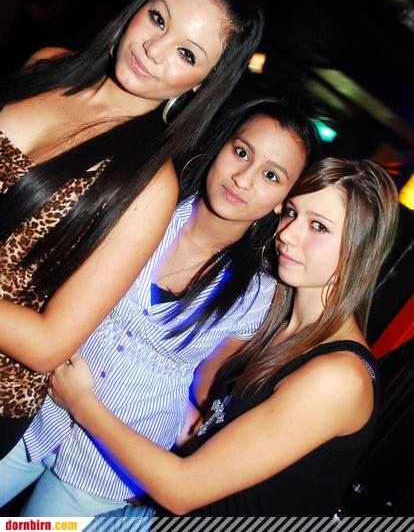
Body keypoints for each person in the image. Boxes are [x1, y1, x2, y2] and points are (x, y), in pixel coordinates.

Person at [0, 96, 318, 515]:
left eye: (271, 175)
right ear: (221, 146)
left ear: (284, 200)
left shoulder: (258, 297)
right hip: (36, 410)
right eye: (241, 152)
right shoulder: (144, 207)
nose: (243, 179)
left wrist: (193, 429)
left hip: (112, 466)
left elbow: (209, 380)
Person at [0, 0, 265, 457]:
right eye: (158, 19)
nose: (154, 49)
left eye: (186, 53)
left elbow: (49, 344)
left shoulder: (149, 187)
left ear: (201, 83)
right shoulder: (46, 65)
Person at [49, 157, 398, 519]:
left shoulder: (337, 379)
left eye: (319, 226)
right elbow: (211, 432)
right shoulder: (277, 327)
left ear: (359, 249)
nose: (287, 234)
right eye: (292, 213)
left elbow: (182, 490)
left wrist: (81, 403)